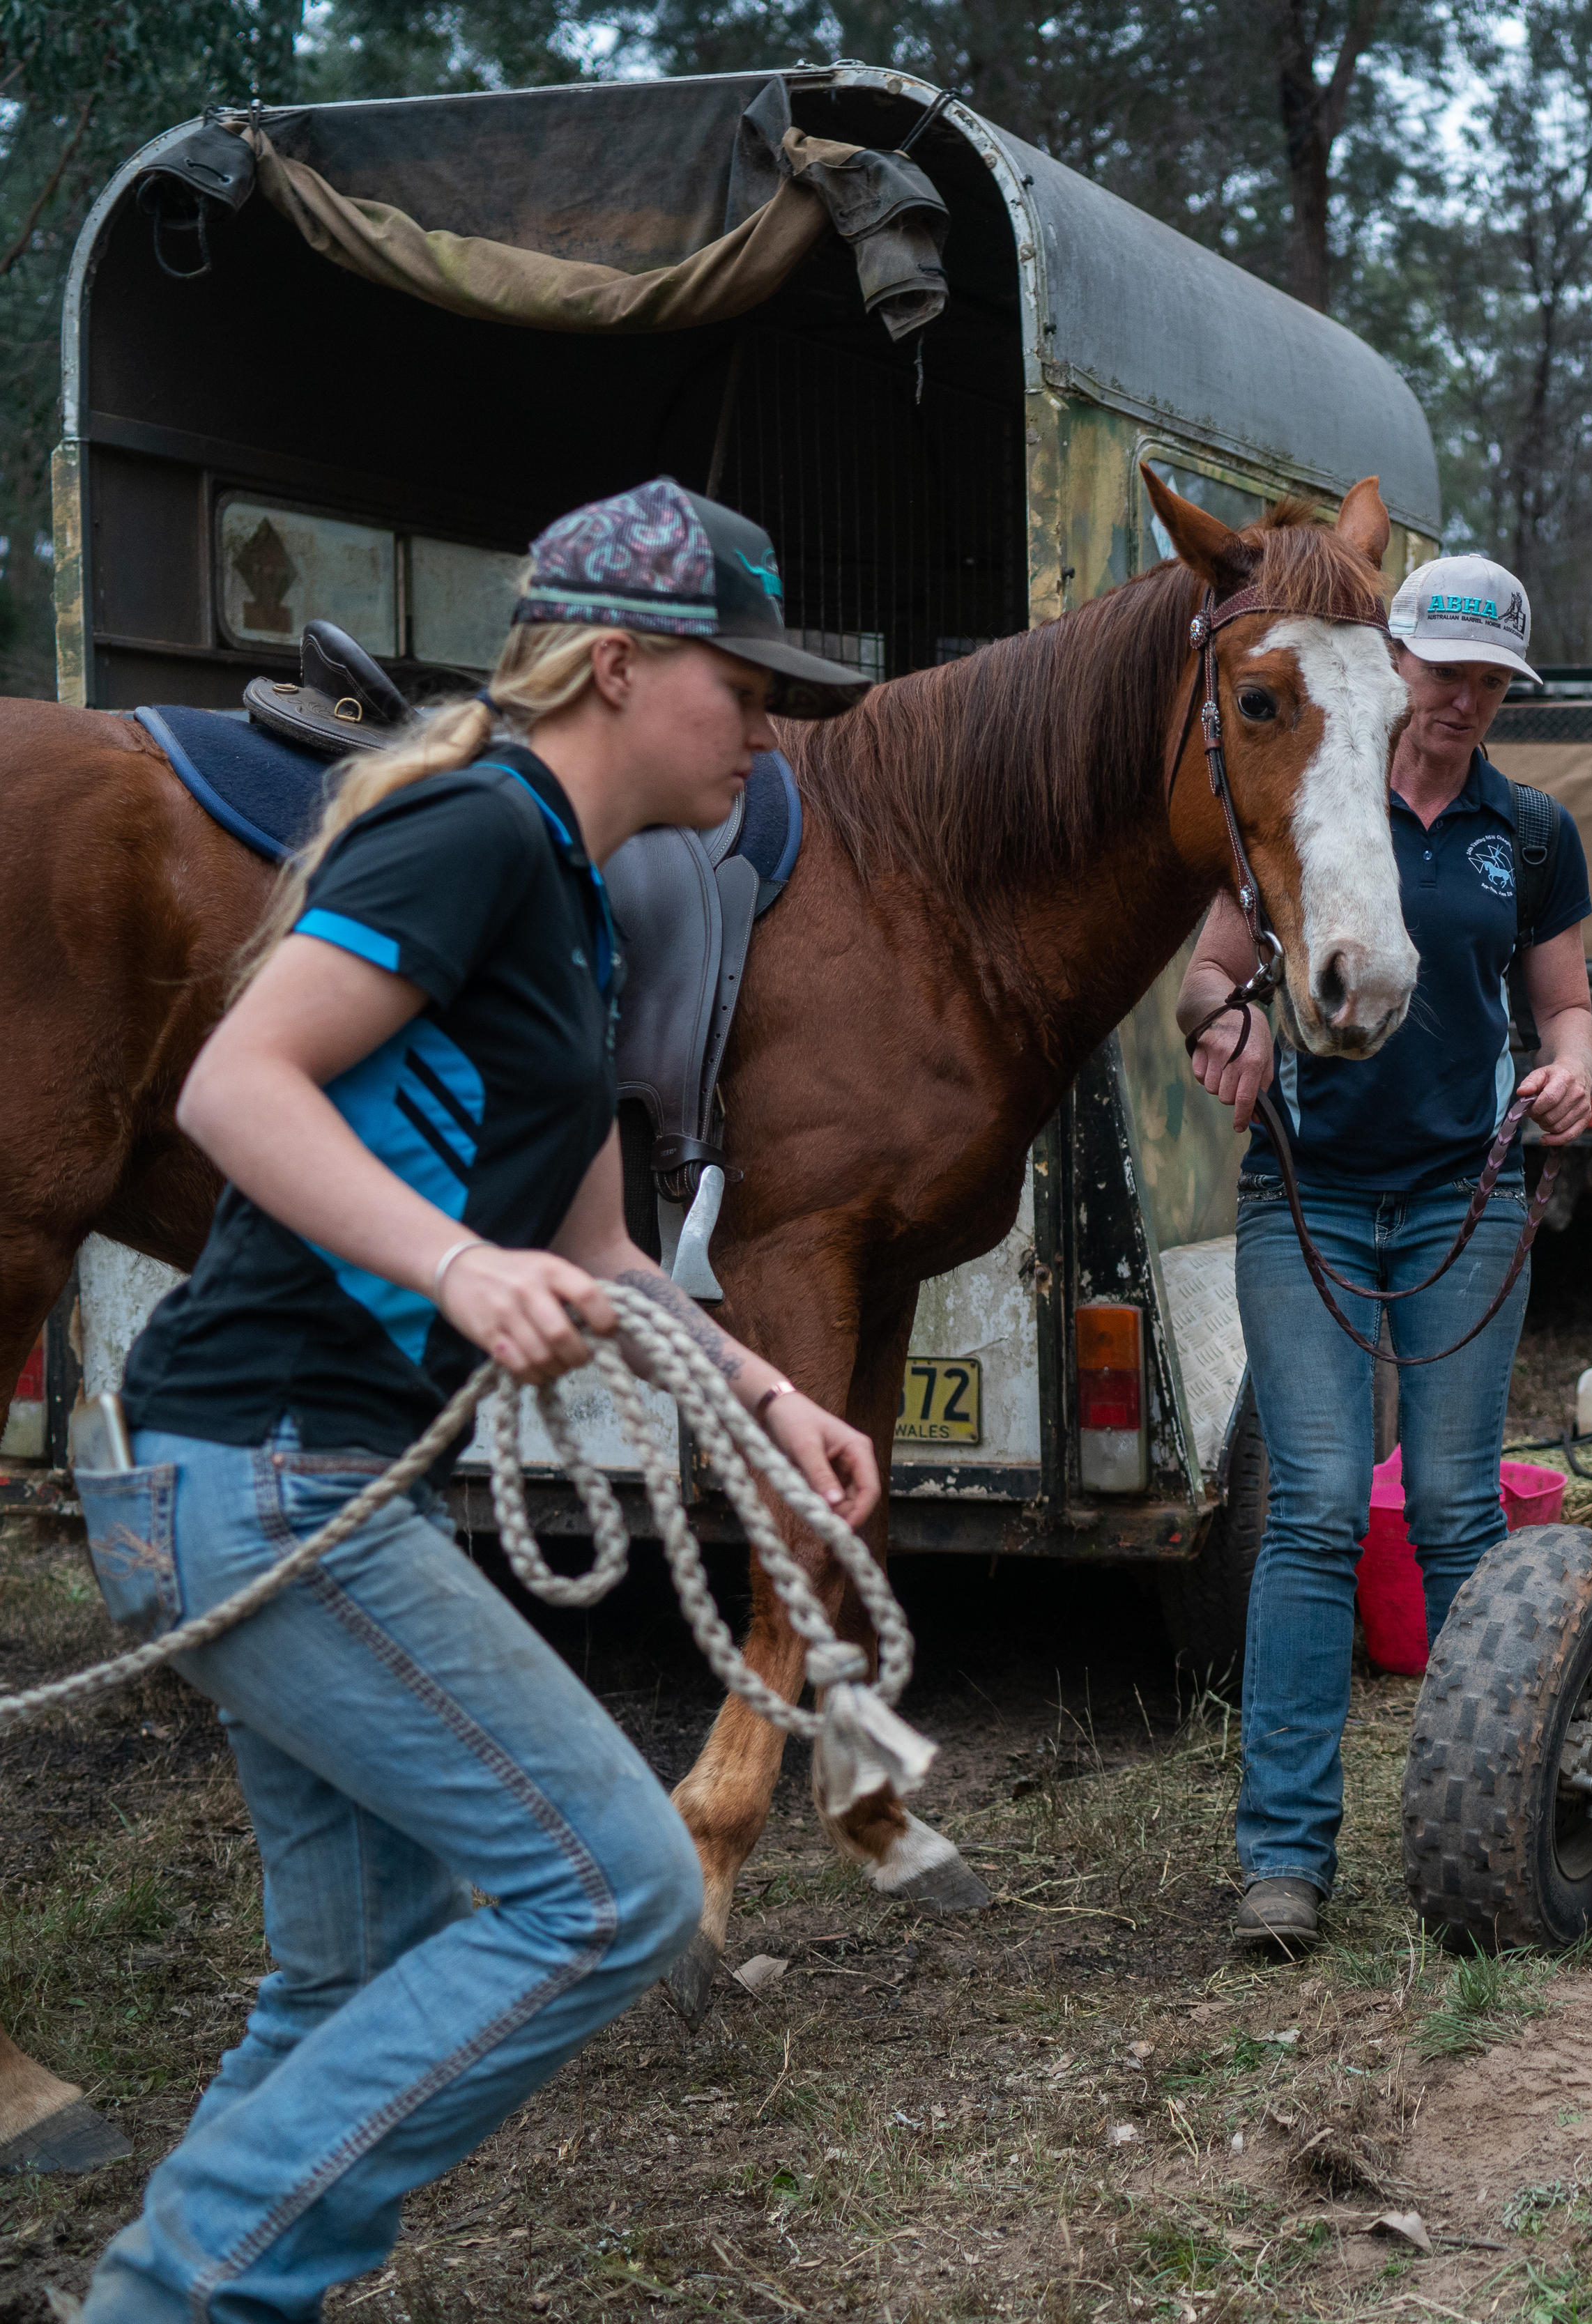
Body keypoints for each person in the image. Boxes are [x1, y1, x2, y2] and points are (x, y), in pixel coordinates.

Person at [75, 480, 884, 2324]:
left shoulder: (579, 903)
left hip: (303, 1473)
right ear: (617, 662)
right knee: (612, 1883)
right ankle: (189, 2273)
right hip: (264, 1471)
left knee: (343, 1973)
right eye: (741, 681)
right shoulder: (470, 831)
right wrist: (450, 1265)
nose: (768, 728)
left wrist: (762, 1392)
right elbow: (237, 1085)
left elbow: (602, 1248)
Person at [1179, 551, 1592, 1957]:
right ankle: (1284, 1863)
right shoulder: (1310, 789)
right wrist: (1222, 1025)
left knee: (1455, 1507)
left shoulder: (1528, 832)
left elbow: (1564, 1009)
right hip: (1307, 1192)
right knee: (1308, 1505)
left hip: (1465, 1196)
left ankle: (1485, 1830)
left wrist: (1571, 1074)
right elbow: (1208, 967)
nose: (1466, 699)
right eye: (1445, 670)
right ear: (1390, 663)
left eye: (1493, 680)